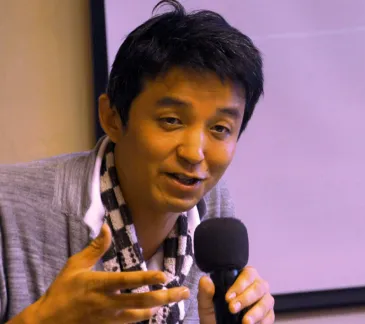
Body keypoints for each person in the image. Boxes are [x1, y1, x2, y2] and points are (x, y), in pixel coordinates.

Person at [0, 1, 275, 323]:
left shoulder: (210, 211)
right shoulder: (9, 209)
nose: (194, 153)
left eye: (220, 129)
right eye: (172, 120)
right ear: (112, 118)